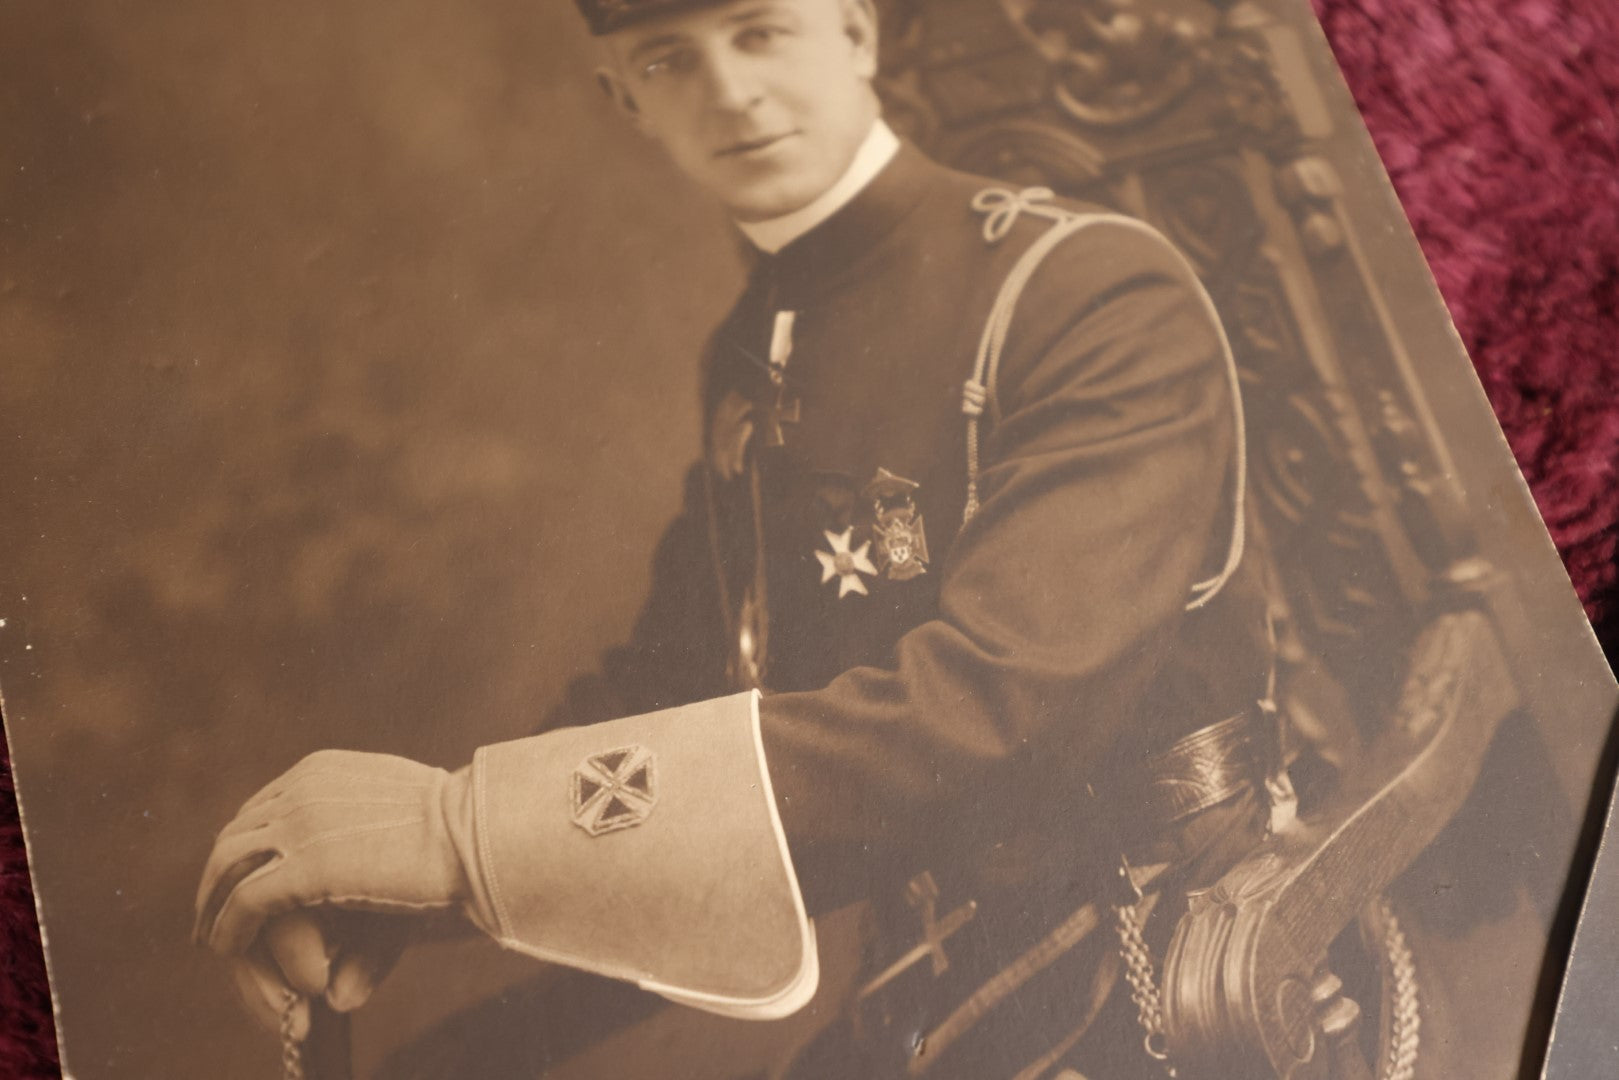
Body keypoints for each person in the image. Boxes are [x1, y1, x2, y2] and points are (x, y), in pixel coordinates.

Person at [193, 0, 1278, 1075]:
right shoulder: (752, 348)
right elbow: (679, 678)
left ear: (855, 32)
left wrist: (462, 832)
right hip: (932, 964)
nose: (728, 92)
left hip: (1174, 963)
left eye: (760, 31)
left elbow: (991, 712)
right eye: (670, 59)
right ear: (624, 101)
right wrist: (406, 882)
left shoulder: (1083, 290)